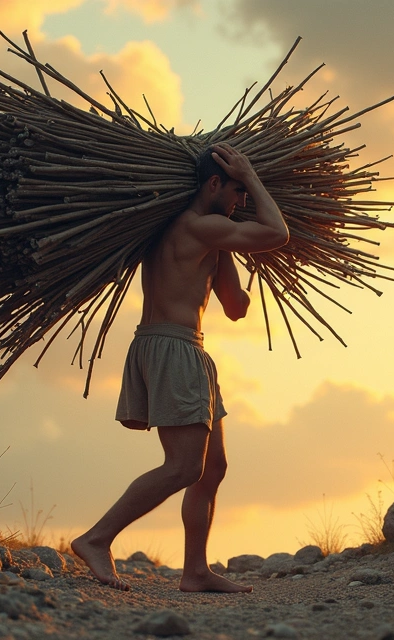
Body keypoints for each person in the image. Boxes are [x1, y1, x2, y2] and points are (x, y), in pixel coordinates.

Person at [71, 142, 289, 592]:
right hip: (171, 346)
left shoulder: (207, 233)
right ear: (214, 184)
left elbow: (234, 307)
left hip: (188, 348)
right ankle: (96, 539)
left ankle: (195, 572)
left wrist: (229, 251)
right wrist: (250, 173)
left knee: (212, 468)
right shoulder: (193, 226)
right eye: (236, 190)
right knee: (183, 466)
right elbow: (277, 233)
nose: (242, 200)